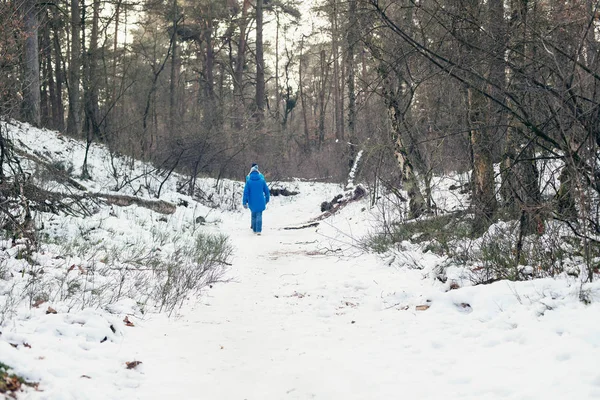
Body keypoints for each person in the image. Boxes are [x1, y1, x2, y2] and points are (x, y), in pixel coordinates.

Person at [242, 164, 270, 235]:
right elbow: (267, 191)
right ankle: (258, 231)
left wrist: (244, 202)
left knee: (254, 214)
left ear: (250, 173)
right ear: (258, 173)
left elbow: (246, 193)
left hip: (252, 201)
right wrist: (267, 199)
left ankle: (254, 229)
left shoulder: (248, 181)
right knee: (259, 215)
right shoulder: (262, 180)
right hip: (261, 200)